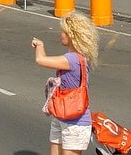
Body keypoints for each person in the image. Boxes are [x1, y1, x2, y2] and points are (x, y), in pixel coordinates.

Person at [32, 11, 99, 155]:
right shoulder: (78, 57)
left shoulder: (72, 59)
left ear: (72, 35)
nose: (60, 34)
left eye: (63, 31)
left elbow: (40, 60)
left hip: (75, 123)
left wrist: (39, 45)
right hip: (61, 116)